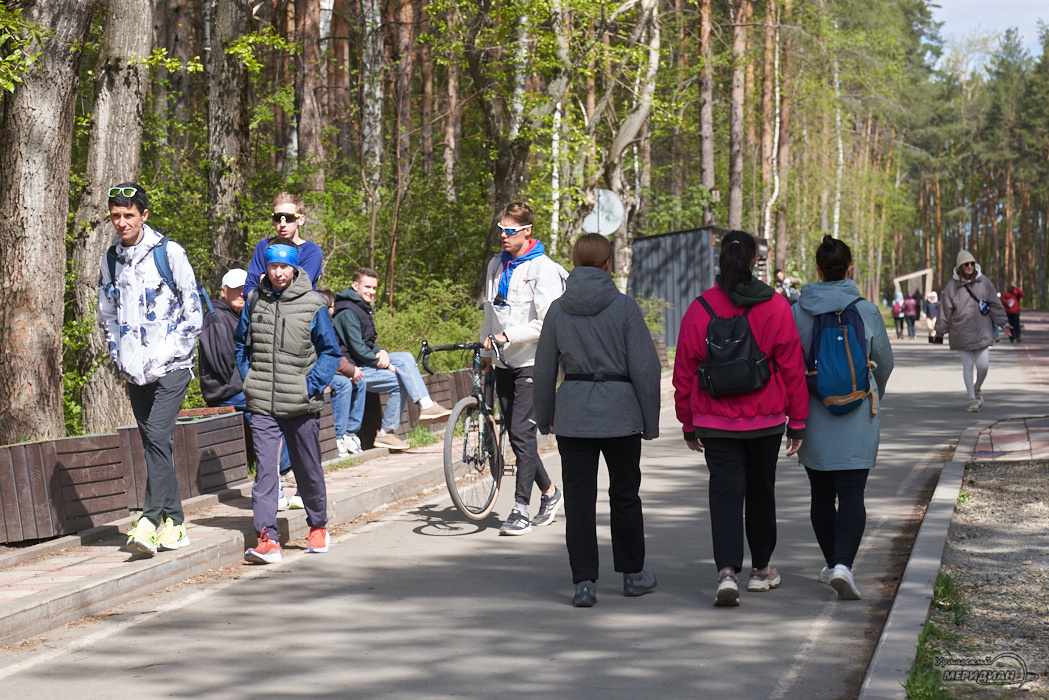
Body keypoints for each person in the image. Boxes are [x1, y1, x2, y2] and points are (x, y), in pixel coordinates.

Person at [672, 230, 808, 607]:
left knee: (725, 494)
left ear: (721, 262)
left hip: (715, 421)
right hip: (766, 420)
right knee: (762, 492)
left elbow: (684, 370)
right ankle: (762, 571)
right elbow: (793, 367)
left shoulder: (700, 308)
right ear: (753, 263)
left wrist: (688, 421)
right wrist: (797, 421)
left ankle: (727, 572)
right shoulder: (777, 306)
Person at [534, 233, 661, 607]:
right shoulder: (624, 307)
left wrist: (545, 418)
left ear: (574, 261)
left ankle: (584, 583)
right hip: (621, 415)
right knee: (624, 495)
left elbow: (543, 371)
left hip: (573, 415)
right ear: (609, 263)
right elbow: (646, 367)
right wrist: (649, 421)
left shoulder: (558, 309)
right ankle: (633, 575)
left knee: (578, 500)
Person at [97, 183, 203, 557]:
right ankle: (175, 526)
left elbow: (194, 313)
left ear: (144, 215)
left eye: (129, 215)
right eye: (115, 216)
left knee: (157, 435)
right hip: (134, 370)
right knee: (156, 444)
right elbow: (106, 314)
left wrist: (169, 354)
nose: (122, 222)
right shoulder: (111, 259)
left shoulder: (169, 253)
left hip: (172, 365)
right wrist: (119, 355)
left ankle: (148, 520)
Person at [791, 236, 894, 600]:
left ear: (817, 270)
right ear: (849, 269)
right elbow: (885, 361)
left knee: (821, 494)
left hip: (814, 412)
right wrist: (870, 391)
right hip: (858, 412)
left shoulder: (798, 311)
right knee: (852, 492)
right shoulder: (865, 311)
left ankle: (833, 561)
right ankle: (843, 565)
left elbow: (788, 365)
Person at [235, 242, 341, 563]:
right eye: (272, 266)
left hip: (300, 403)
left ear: (295, 268)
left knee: (307, 467)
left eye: (284, 267)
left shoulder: (313, 304)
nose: (278, 273)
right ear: (265, 268)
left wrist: (310, 386)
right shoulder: (254, 300)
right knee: (266, 470)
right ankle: (267, 537)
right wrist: (249, 379)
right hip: (263, 404)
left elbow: (330, 352)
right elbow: (241, 345)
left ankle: (318, 526)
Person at [480, 201, 567, 536]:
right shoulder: (495, 266)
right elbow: (490, 311)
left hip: (534, 361)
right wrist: (487, 347)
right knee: (516, 436)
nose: (503, 235)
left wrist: (507, 335)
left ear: (527, 231)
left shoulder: (543, 269)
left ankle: (519, 509)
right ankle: (550, 492)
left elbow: (547, 323)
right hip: (503, 359)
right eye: (501, 228)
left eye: (510, 230)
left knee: (522, 432)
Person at [332, 268, 451, 451]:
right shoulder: (348, 311)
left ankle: (386, 432)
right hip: (354, 369)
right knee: (402, 372)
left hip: (364, 362)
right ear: (355, 286)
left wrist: (383, 351)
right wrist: (381, 362)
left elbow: (368, 342)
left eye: (374, 288)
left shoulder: (360, 307)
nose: (371, 292)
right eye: (367, 287)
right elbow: (357, 348)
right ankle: (424, 405)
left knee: (405, 361)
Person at [198, 268, 293, 497]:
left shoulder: (240, 315)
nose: (241, 293)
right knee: (270, 417)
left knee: (290, 405)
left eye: (244, 289)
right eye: (235, 290)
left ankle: (284, 471)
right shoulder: (216, 318)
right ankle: (276, 477)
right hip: (227, 389)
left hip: (244, 385)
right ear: (223, 291)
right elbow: (224, 365)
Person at [934, 250, 1011, 413]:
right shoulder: (951, 287)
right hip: (960, 332)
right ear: (960, 267)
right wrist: (939, 332)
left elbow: (995, 305)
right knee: (968, 365)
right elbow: (944, 312)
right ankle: (972, 399)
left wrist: (1004, 323)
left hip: (982, 330)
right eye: (965, 264)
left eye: (971, 264)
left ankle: (977, 388)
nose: (969, 267)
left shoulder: (984, 283)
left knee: (983, 366)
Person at [244, 192, 324, 298]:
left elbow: (298, 290)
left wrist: (265, 281)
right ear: (273, 220)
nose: (282, 224)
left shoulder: (312, 252)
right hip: (262, 313)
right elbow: (248, 290)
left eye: (289, 218)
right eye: (278, 218)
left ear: (301, 220)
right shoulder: (263, 246)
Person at [318, 288, 366, 456]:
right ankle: (338, 436)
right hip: (316, 372)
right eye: (332, 306)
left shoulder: (329, 324)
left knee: (360, 381)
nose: (334, 309)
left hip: (330, 370)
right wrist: (349, 371)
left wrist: (352, 371)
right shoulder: (319, 324)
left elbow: (337, 353)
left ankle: (350, 432)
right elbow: (329, 356)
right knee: (344, 384)